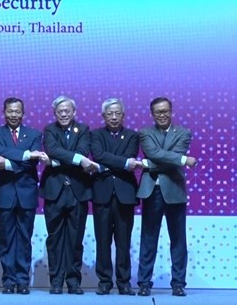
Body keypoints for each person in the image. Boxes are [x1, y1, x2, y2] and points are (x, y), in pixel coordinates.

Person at [136, 97, 196, 297]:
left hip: (175, 192)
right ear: (152, 114)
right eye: (157, 112)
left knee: (178, 239)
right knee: (148, 238)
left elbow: (160, 159)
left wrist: (147, 164)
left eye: (165, 111)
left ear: (172, 112)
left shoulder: (184, 133)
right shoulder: (145, 132)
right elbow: (154, 153)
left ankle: (178, 283)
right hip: (152, 191)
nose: (162, 115)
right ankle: (144, 283)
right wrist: (182, 159)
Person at [0, 97, 47, 295]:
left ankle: (22, 281)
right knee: (6, 239)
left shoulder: (34, 134)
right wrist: (25, 155)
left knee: (24, 238)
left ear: (23, 113)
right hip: (4, 193)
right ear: (4, 112)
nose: (14, 115)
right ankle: (8, 280)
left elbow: (33, 162)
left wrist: (7, 164)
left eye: (17, 111)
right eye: (10, 111)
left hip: (27, 194)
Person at [41, 95, 98, 295]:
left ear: (74, 112)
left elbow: (82, 150)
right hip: (54, 191)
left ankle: (73, 281)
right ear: (54, 113)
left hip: (78, 191)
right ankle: (56, 281)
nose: (63, 114)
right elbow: (52, 149)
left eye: (67, 111)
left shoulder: (83, 130)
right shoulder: (49, 130)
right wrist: (77, 159)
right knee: (54, 239)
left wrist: (56, 161)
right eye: (59, 111)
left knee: (75, 240)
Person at [90, 98, 140, 296]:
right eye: (109, 114)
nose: (113, 117)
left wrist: (112, 163)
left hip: (125, 195)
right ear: (103, 116)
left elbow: (130, 155)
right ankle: (104, 281)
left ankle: (124, 281)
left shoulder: (132, 136)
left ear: (123, 115)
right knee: (102, 240)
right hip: (102, 193)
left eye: (117, 113)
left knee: (123, 241)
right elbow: (98, 155)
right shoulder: (95, 134)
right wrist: (124, 163)